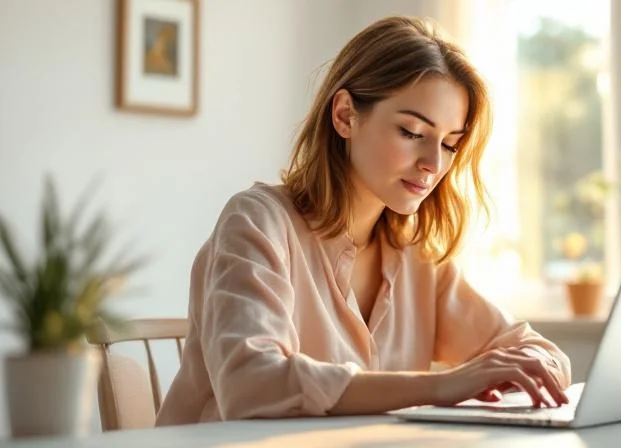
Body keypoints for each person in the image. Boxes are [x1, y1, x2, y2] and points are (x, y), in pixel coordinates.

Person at [155, 15, 571, 426]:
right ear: (344, 116)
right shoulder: (257, 221)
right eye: (412, 132)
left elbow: (542, 354)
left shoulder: (418, 257)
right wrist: (440, 386)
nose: (433, 163)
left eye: (449, 144)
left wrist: (520, 369)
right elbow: (252, 385)